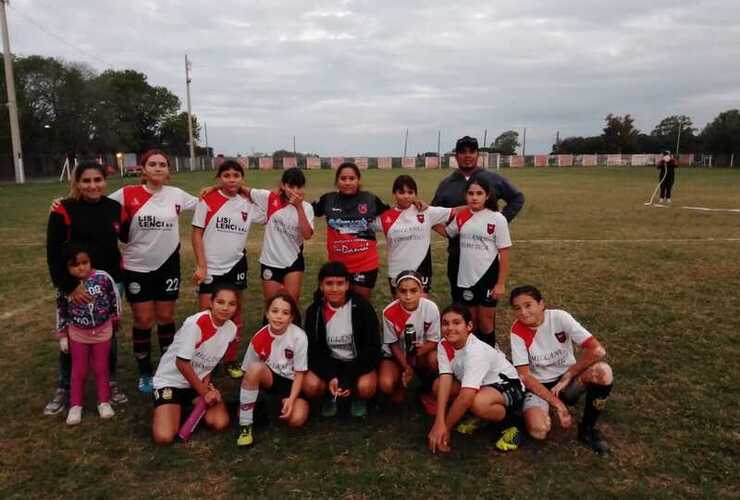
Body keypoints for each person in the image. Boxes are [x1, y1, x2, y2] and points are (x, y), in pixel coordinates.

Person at [109, 150, 199, 394]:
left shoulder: (176, 195)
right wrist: (64, 204)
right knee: (143, 320)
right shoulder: (127, 193)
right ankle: (145, 371)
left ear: (168, 171)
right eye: (153, 164)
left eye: (162, 164)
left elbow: (207, 203)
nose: (158, 168)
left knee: (166, 318)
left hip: (168, 265)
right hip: (137, 266)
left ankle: (167, 367)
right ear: (143, 169)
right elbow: (97, 205)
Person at [45, 161, 128, 415]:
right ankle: (65, 387)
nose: (93, 185)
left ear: (105, 181)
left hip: (110, 283)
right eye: (86, 181)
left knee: (108, 334)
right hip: (78, 284)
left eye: (98, 180)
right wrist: (69, 285)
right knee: (73, 337)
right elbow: (53, 251)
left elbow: (127, 235)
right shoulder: (64, 209)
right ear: (77, 183)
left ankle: (110, 383)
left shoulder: (115, 208)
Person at [509, 285, 614, 454]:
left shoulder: (559, 317)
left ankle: (587, 429)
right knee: (539, 431)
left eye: (528, 305)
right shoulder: (517, 330)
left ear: (541, 304)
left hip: (567, 381)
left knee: (603, 372)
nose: (523, 312)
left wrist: (568, 375)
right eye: (517, 308)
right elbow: (525, 376)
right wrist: (557, 405)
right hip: (540, 386)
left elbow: (597, 350)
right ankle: (533, 410)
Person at [192, 160, 264, 379]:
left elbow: (270, 205)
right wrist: (202, 265)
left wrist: (245, 191)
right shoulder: (207, 200)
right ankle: (205, 362)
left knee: (234, 315)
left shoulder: (248, 204)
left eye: (236, 175)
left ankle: (230, 359)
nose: (231, 179)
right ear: (219, 178)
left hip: (236, 266)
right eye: (226, 176)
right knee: (207, 317)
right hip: (210, 267)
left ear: (242, 179)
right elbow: (196, 233)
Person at [431, 136, 524, 303]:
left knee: (485, 307)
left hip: (485, 256)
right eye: (463, 152)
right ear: (456, 155)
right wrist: (446, 233)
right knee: (461, 303)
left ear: (478, 154)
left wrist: (500, 220)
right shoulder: (446, 184)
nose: (467, 155)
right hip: (457, 254)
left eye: (472, 151)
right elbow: (434, 213)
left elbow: (517, 198)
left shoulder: (492, 178)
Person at [427, 304, 524, 454]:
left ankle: (513, 424)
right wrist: (439, 422)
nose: (450, 328)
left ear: (469, 326)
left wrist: (445, 429)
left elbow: (466, 397)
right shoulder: (444, 344)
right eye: (445, 323)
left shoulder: (475, 352)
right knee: (438, 386)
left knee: (477, 403)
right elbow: (445, 378)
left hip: (508, 385)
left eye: (456, 322)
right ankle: (480, 418)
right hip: (481, 386)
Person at [151, 283, 239, 444]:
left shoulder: (231, 329)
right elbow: (181, 363)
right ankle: (171, 406)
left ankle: (184, 407)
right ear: (211, 303)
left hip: (197, 384)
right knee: (164, 437)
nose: (226, 308)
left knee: (220, 423)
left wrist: (206, 385)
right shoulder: (195, 324)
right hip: (171, 381)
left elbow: (211, 361)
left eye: (232, 304)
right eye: (220, 302)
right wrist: (205, 393)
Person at [302, 261, 381, 418]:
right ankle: (329, 394)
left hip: (356, 363)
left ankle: (358, 397)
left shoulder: (362, 307)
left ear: (347, 285)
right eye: (329, 283)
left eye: (340, 283)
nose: (335, 288)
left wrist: (348, 377)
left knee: (366, 387)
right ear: (321, 286)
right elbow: (313, 351)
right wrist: (331, 376)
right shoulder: (314, 311)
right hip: (331, 363)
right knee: (310, 386)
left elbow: (372, 348)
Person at [56, 243, 121, 425]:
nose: (82, 267)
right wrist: (62, 334)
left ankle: (104, 402)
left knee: (101, 368)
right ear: (67, 268)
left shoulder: (103, 278)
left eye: (85, 262)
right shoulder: (66, 286)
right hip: (78, 335)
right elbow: (60, 310)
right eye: (75, 265)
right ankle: (75, 405)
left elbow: (113, 296)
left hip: (102, 333)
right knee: (79, 370)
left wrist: (115, 317)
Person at [444, 176, 511, 346]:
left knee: (486, 322)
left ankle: (491, 354)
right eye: (470, 193)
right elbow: (447, 232)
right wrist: (427, 222)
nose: (474, 197)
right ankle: (473, 357)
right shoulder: (462, 215)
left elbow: (505, 252)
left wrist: (501, 283)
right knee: (471, 322)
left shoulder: (497, 218)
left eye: (479, 193)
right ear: (465, 195)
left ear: (487, 195)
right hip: (465, 278)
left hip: (488, 277)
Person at [237, 291, 310, 447]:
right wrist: (245, 403)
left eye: (285, 313)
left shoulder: (299, 337)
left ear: (291, 318)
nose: (279, 316)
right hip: (271, 380)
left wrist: (291, 398)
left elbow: (299, 374)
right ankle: (245, 425)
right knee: (255, 367)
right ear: (267, 314)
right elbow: (247, 372)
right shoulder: (259, 337)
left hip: (292, 383)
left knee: (297, 420)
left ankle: (279, 405)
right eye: (274, 311)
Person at [312, 162, 390, 300]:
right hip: (337, 266)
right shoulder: (328, 200)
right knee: (337, 305)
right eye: (343, 178)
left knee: (359, 306)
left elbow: (395, 214)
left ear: (359, 180)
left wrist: (415, 205)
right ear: (337, 181)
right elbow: (306, 210)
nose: (347, 182)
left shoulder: (370, 199)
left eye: (352, 178)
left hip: (365, 264)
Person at [244, 167, 314, 304]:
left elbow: (307, 235)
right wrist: (214, 188)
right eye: (290, 186)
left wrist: (298, 207)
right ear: (283, 185)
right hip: (270, 260)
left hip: (293, 261)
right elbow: (240, 188)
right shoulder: (269, 198)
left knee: (291, 304)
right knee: (272, 304)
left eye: (298, 186)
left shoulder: (306, 207)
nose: (294, 191)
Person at [377, 175, 454, 295]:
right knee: (402, 310)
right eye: (401, 192)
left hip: (421, 269)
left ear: (415, 194)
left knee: (421, 309)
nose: (406, 196)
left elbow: (455, 211)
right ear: (394, 193)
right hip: (397, 270)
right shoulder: (385, 217)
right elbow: (361, 223)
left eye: (410, 192)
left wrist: (481, 207)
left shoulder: (426, 211)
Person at [378, 271, 440, 406]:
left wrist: (423, 348)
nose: (408, 296)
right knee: (386, 385)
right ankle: (401, 383)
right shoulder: (388, 312)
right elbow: (393, 344)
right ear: (396, 292)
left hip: (420, 353)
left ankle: (427, 387)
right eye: (403, 291)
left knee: (434, 359)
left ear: (421, 290)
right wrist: (407, 366)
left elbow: (434, 340)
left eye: (413, 291)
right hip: (397, 355)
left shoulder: (431, 308)